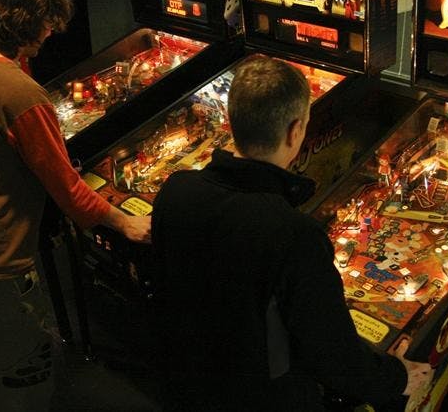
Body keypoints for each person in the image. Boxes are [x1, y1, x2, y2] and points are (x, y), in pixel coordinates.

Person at [0, 0, 151, 412]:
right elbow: (66, 188)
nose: (50, 34)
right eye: (46, 24)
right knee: (24, 368)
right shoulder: (22, 96)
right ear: (26, 23)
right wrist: (126, 222)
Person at [151, 54, 433, 411]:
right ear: (295, 130)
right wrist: (397, 376)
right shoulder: (293, 233)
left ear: (229, 118)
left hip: (185, 384)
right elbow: (332, 354)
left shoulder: (176, 190)